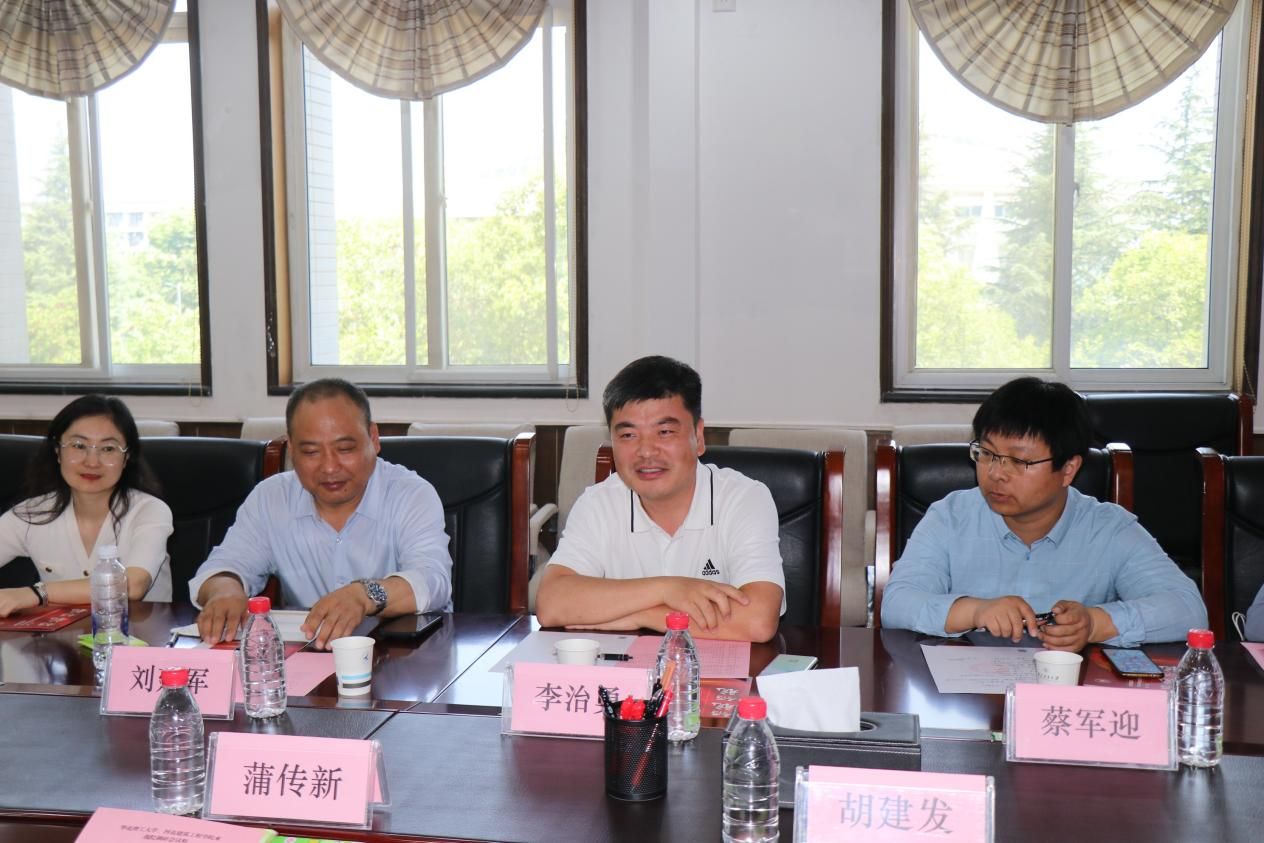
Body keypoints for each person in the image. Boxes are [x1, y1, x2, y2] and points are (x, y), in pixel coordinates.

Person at [882, 377, 1207, 651]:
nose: (996, 473)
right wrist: (975, 610)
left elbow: (1188, 610)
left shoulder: (1108, 528)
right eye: (987, 453)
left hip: (1068, 694)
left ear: (1068, 469)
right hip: (966, 693)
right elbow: (896, 605)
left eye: (1019, 461)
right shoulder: (950, 517)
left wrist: (1094, 623)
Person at [536, 356, 784, 642]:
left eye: (664, 432)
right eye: (628, 435)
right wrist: (668, 589)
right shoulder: (598, 504)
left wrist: (643, 616)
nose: (646, 451)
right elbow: (552, 603)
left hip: (714, 670)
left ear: (698, 436)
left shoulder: (744, 499)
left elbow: (757, 621)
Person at [190, 378, 452, 649]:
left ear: (373, 439)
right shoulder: (272, 498)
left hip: (402, 657)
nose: (329, 467)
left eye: (345, 449)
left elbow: (432, 580)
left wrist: (364, 595)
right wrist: (224, 591)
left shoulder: (410, 494)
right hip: (309, 655)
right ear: (292, 449)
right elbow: (225, 566)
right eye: (311, 452)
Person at [0, 395, 173, 615]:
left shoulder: (149, 511)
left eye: (108, 449)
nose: (92, 462)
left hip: (140, 634)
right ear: (58, 451)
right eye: (79, 445)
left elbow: (132, 585)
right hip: (61, 637)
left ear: (127, 457)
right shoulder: (31, 514)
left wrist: (35, 594)